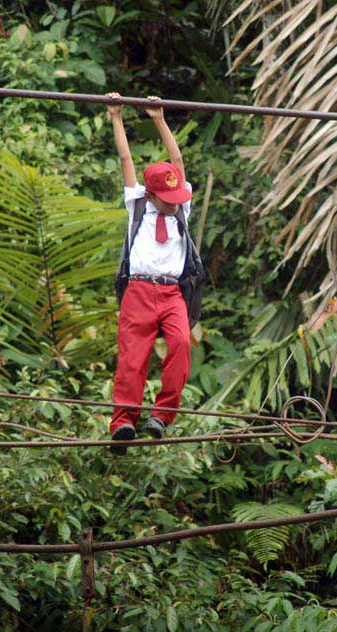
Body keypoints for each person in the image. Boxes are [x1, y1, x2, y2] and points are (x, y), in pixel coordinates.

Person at [106, 92, 194, 455]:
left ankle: (162, 415)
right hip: (139, 291)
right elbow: (125, 157)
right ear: (152, 195)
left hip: (171, 293)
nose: (174, 205)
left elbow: (176, 159)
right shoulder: (138, 204)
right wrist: (116, 116)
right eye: (167, 200)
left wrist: (159, 117)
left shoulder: (182, 207)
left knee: (181, 344)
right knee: (132, 357)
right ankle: (123, 422)